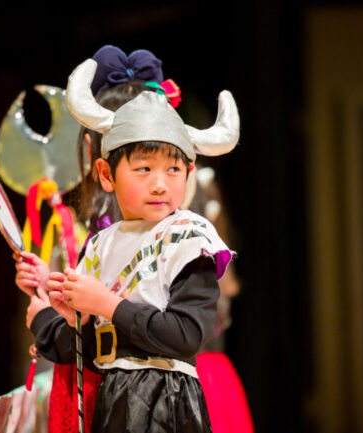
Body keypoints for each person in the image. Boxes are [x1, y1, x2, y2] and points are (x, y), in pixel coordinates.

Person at [35, 57, 240, 432]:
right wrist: (58, 315)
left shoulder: (190, 239)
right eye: (144, 169)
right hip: (113, 398)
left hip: (167, 402)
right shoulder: (101, 244)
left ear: (189, 172)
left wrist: (106, 304)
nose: (160, 184)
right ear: (106, 174)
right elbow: (87, 350)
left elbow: (185, 336)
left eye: (173, 169)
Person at [15, 45, 172, 433]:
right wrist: (51, 288)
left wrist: (46, 320)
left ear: (93, 153)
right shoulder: (170, 230)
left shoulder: (138, 234)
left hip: (116, 397)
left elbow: (102, 339)